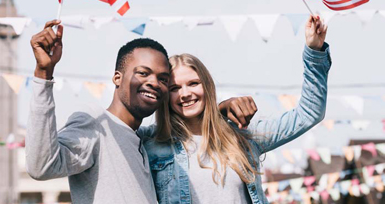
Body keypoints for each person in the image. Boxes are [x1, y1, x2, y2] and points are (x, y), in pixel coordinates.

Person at [26, 20, 256, 204]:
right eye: (143, 73)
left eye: (163, 78)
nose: (154, 83)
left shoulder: (143, 139)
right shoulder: (95, 123)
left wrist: (216, 112)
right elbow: (42, 166)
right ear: (117, 77)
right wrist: (43, 74)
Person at [141, 15, 331, 204]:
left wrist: (314, 51)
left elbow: (309, 113)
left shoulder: (243, 136)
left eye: (193, 83)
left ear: (207, 86)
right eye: (175, 88)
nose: (185, 94)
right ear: (165, 94)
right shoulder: (150, 142)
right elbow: (115, 130)